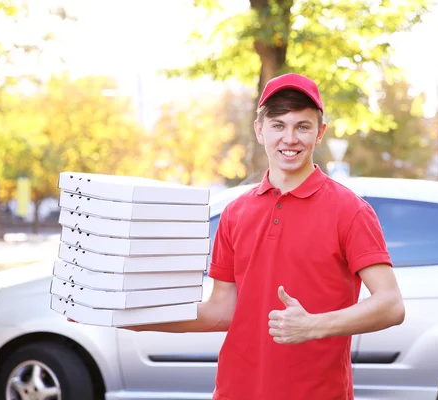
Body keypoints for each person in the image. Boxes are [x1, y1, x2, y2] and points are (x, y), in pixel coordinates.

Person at [104, 73, 405, 399]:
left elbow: (391, 305)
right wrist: (136, 318)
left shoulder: (350, 211)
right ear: (260, 130)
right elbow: (221, 310)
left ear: (320, 134)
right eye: (278, 125)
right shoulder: (235, 213)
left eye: (302, 126)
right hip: (236, 391)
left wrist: (312, 326)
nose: (290, 138)